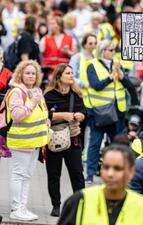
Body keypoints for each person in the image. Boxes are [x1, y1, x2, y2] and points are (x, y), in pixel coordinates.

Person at [58, 144, 143, 225]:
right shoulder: (79, 201)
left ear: (131, 172)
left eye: (117, 168)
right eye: (106, 167)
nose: (110, 174)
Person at [85, 39, 133, 184]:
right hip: (99, 112)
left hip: (117, 111)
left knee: (118, 144)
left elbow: (128, 85)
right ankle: (90, 173)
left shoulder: (117, 64)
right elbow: (96, 85)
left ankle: (120, 171)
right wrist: (110, 78)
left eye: (114, 50)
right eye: (111, 50)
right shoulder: (92, 65)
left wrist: (121, 74)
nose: (113, 53)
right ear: (103, 51)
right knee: (95, 143)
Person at [7, 60, 49, 221]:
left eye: (33, 73)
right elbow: (17, 115)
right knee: (18, 175)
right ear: (20, 74)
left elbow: (43, 111)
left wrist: (46, 120)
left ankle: (22, 207)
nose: (31, 76)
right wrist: (32, 103)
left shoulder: (36, 90)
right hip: (21, 141)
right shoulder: (17, 92)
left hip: (35, 141)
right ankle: (16, 208)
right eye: (27, 73)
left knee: (27, 176)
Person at [44, 64, 86, 217]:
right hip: (54, 140)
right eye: (68, 73)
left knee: (77, 174)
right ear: (59, 77)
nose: (71, 75)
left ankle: (80, 204)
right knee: (54, 174)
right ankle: (56, 205)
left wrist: (81, 115)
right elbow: (43, 115)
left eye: (72, 73)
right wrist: (62, 115)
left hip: (73, 139)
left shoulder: (76, 94)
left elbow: (83, 111)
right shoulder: (49, 95)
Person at [69, 33, 97, 108]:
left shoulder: (97, 58)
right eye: (90, 43)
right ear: (84, 45)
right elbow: (71, 77)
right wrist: (83, 84)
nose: (93, 46)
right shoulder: (76, 58)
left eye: (95, 43)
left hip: (95, 98)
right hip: (80, 96)